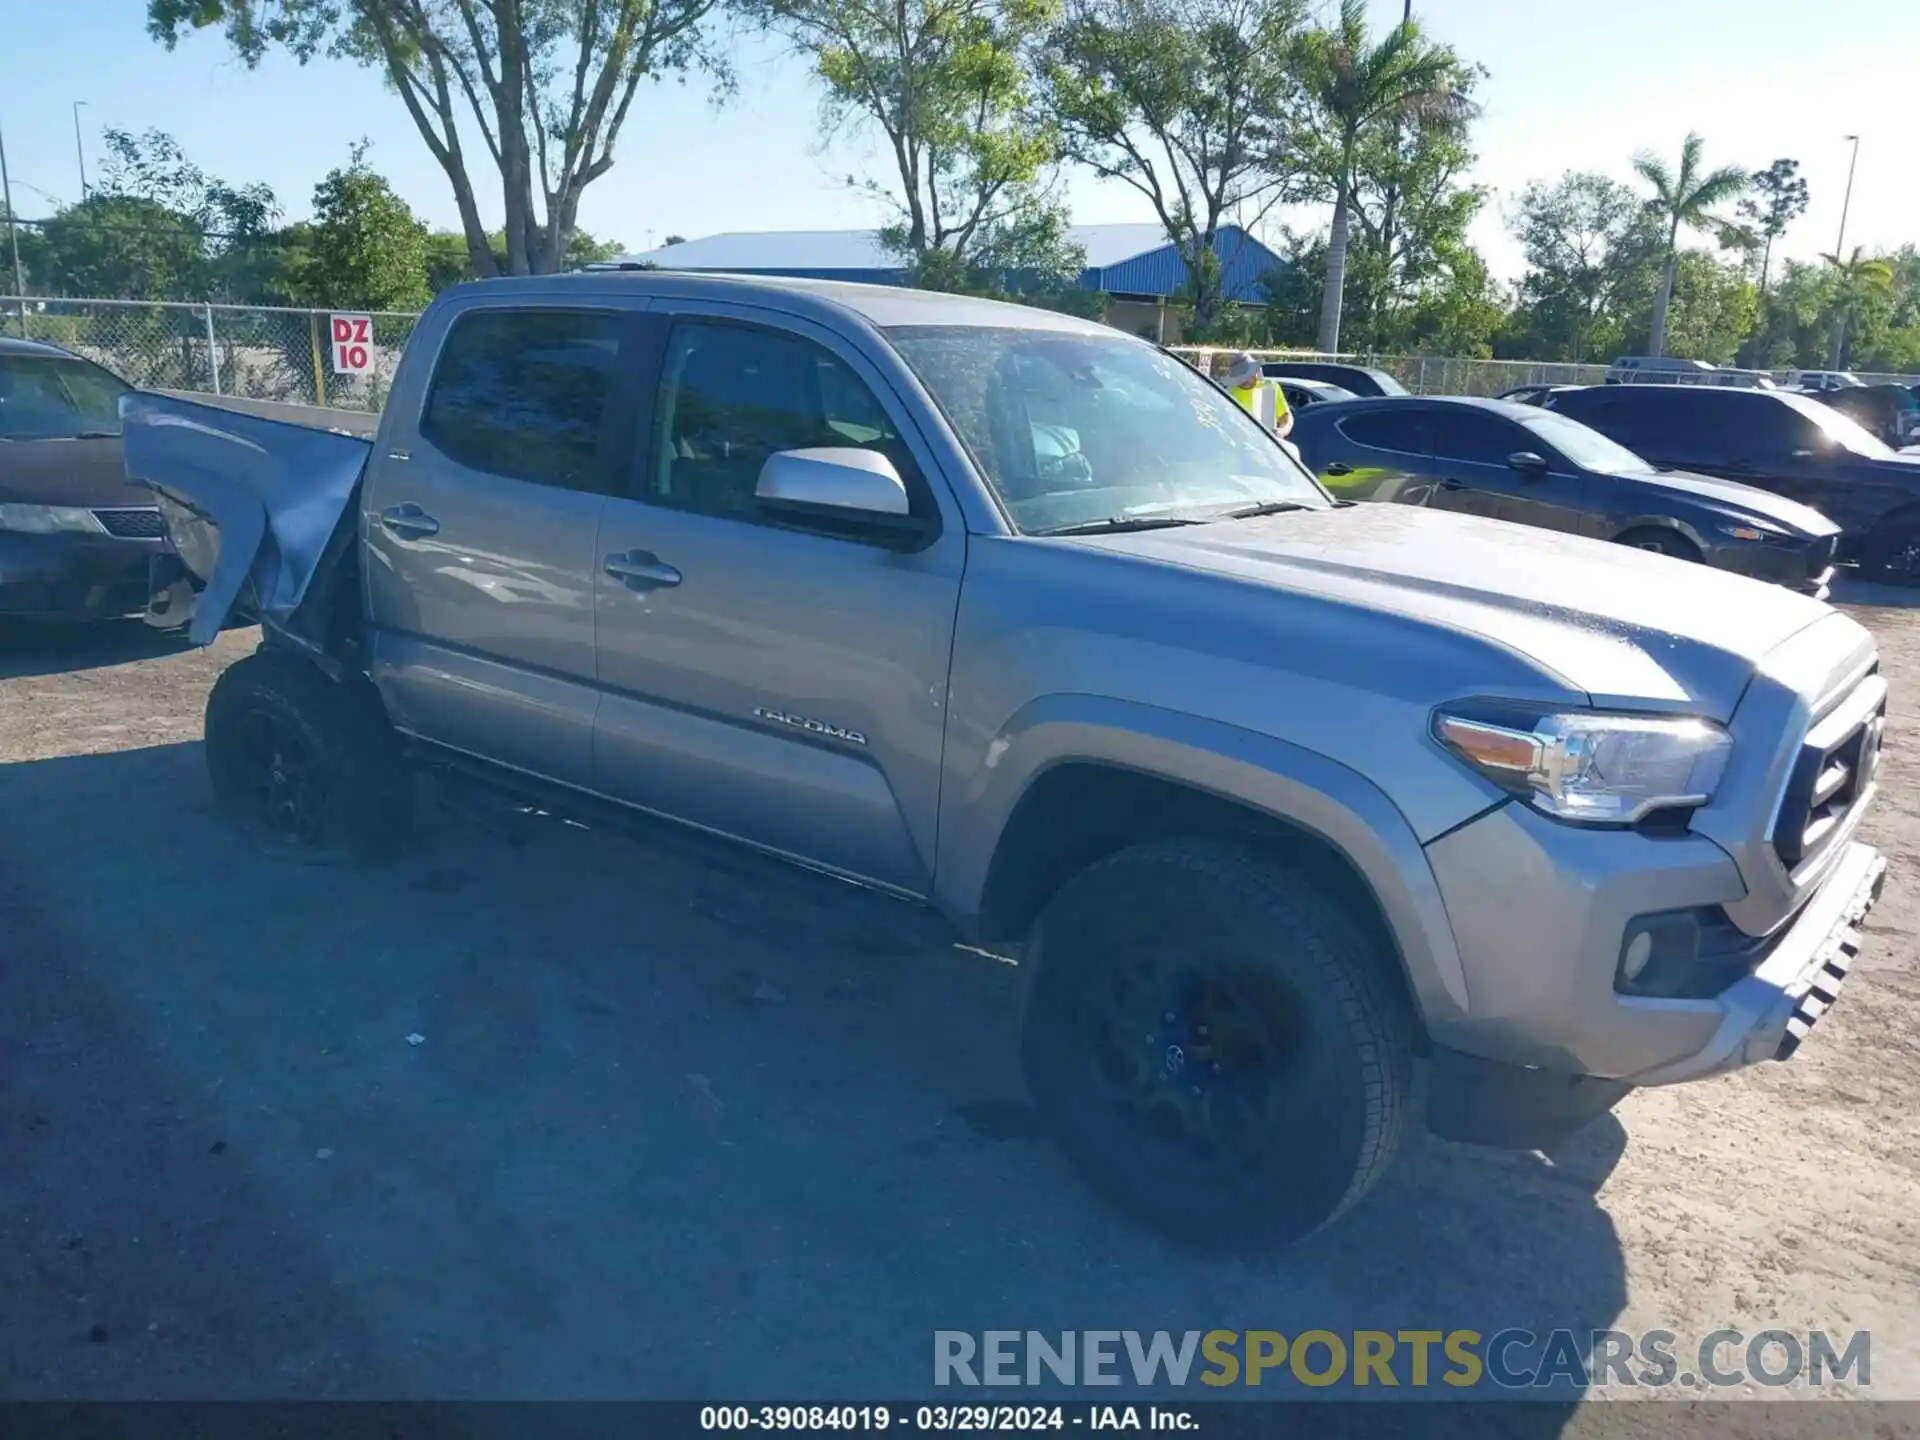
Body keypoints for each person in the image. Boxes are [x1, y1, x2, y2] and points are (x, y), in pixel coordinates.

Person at [1224, 352, 1294, 440]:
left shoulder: (1270, 388)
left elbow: (1286, 417)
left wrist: (1282, 431)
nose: (1243, 381)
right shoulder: (1228, 393)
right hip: (1239, 448)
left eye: (1245, 376)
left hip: (1267, 446)